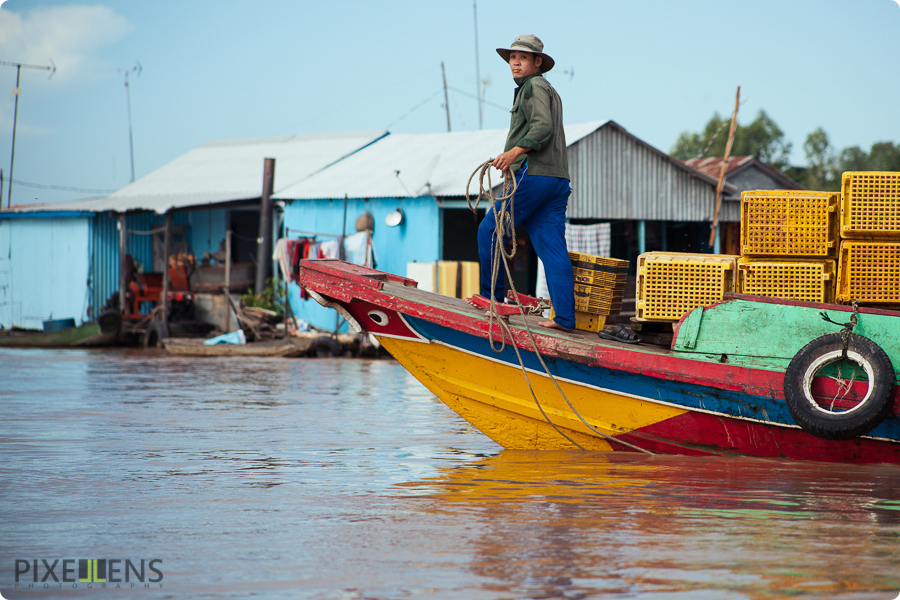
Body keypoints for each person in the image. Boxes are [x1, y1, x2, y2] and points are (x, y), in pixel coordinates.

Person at [471, 34, 575, 331]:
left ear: (537, 62)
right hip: (557, 179)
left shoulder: (532, 87)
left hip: (535, 174)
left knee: (490, 230)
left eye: (523, 58)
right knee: (552, 249)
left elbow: (543, 127)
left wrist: (515, 152)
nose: (515, 62)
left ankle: (493, 298)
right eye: (512, 58)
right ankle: (565, 318)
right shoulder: (548, 90)